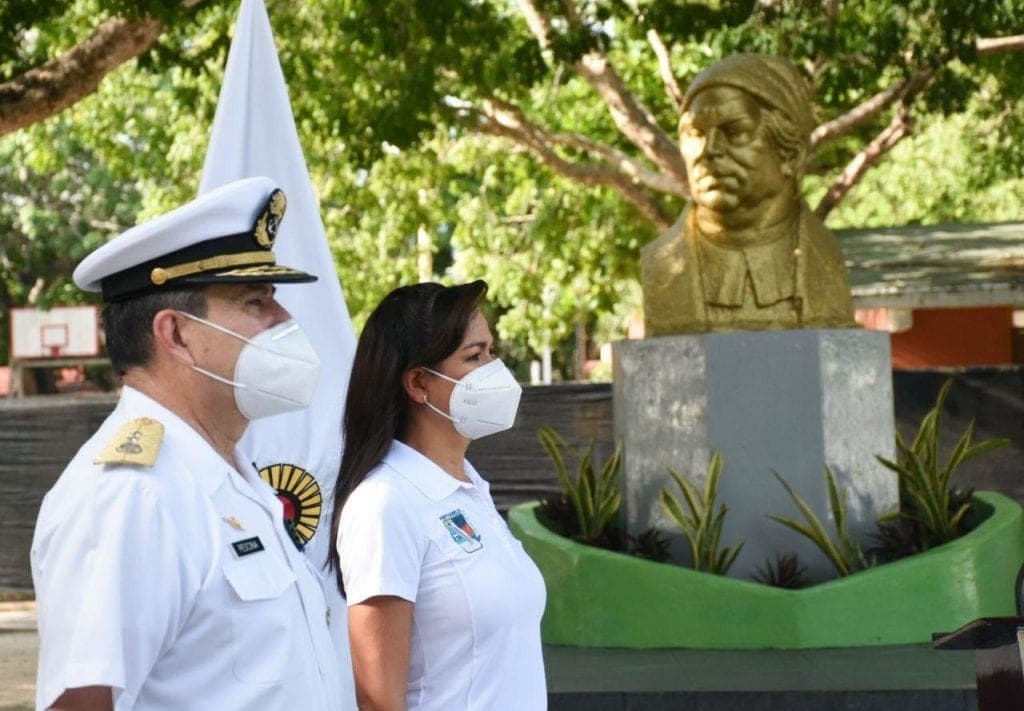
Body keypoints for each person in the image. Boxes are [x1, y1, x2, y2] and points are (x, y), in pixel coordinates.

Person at [31, 177, 346, 710]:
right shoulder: (133, 496)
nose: (285, 321)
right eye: (255, 301)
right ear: (175, 334)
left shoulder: (227, 475)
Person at [330, 281, 547, 711]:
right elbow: (377, 699)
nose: (493, 369)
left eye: (491, 352)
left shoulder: (470, 488)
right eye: (474, 356)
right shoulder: (385, 504)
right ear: (418, 383)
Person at [641, 53, 856, 335]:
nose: (710, 150)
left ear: (791, 154)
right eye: (696, 133)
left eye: (735, 131)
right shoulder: (663, 266)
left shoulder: (826, 263)